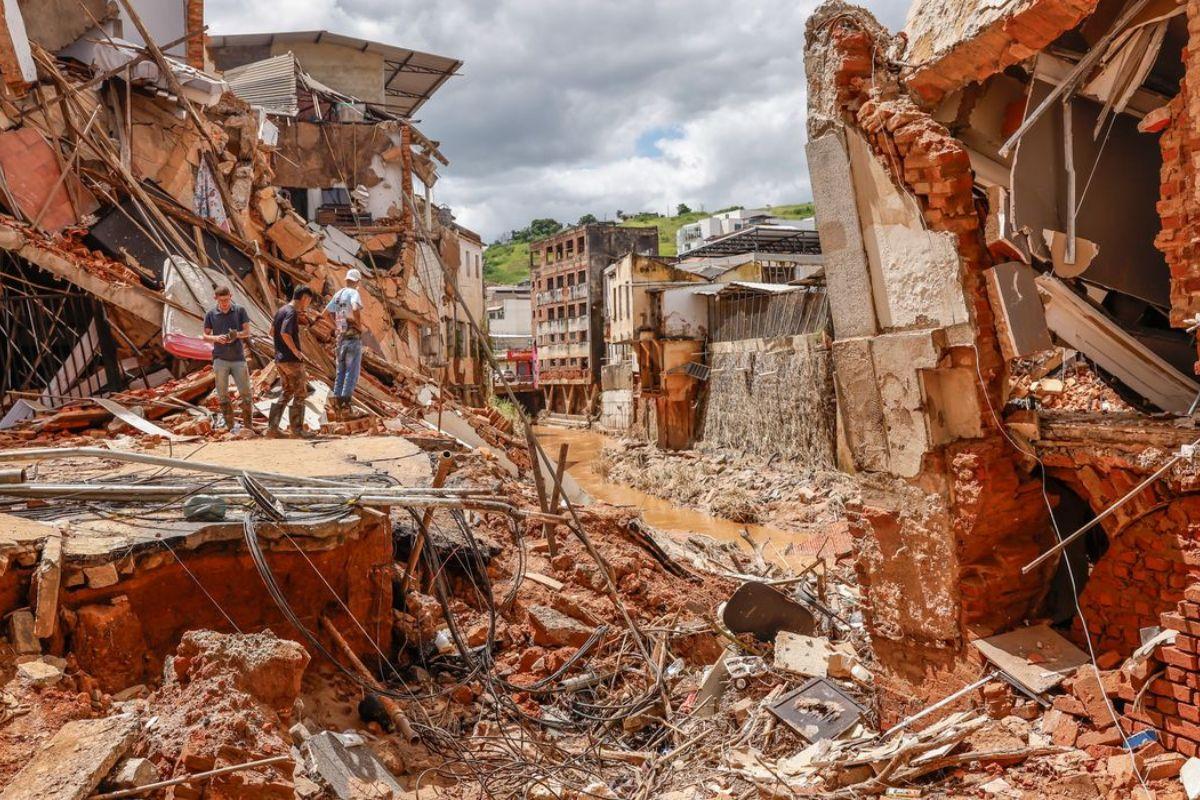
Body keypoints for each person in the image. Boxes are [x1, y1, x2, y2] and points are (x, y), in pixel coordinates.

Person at [202, 286, 254, 433]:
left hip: (238, 358)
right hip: (220, 359)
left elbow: (247, 332)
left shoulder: (240, 311)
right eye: (221, 300)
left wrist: (236, 335)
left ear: (231, 296)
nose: (224, 303)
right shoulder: (211, 314)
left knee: (246, 393)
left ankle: (248, 427)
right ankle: (231, 427)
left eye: (227, 299)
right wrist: (216, 338)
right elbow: (205, 336)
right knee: (222, 394)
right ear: (216, 299)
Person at [269, 285, 316, 438]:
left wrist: (280, 348)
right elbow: (284, 332)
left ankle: (273, 428)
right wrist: (296, 351)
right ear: (305, 298)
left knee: (287, 391)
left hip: (280, 360)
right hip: (291, 360)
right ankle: (297, 430)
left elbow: (271, 331)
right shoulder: (291, 312)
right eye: (309, 300)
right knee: (300, 393)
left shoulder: (280, 311)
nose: (308, 304)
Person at [324, 269, 365, 415]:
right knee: (351, 374)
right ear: (357, 281)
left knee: (340, 373)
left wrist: (337, 326)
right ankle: (345, 408)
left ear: (346, 279)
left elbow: (325, 313)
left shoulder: (338, 294)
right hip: (352, 339)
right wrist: (358, 325)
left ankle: (336, 408)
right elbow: (355, 307)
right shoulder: (354, 293)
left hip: (340, 339)